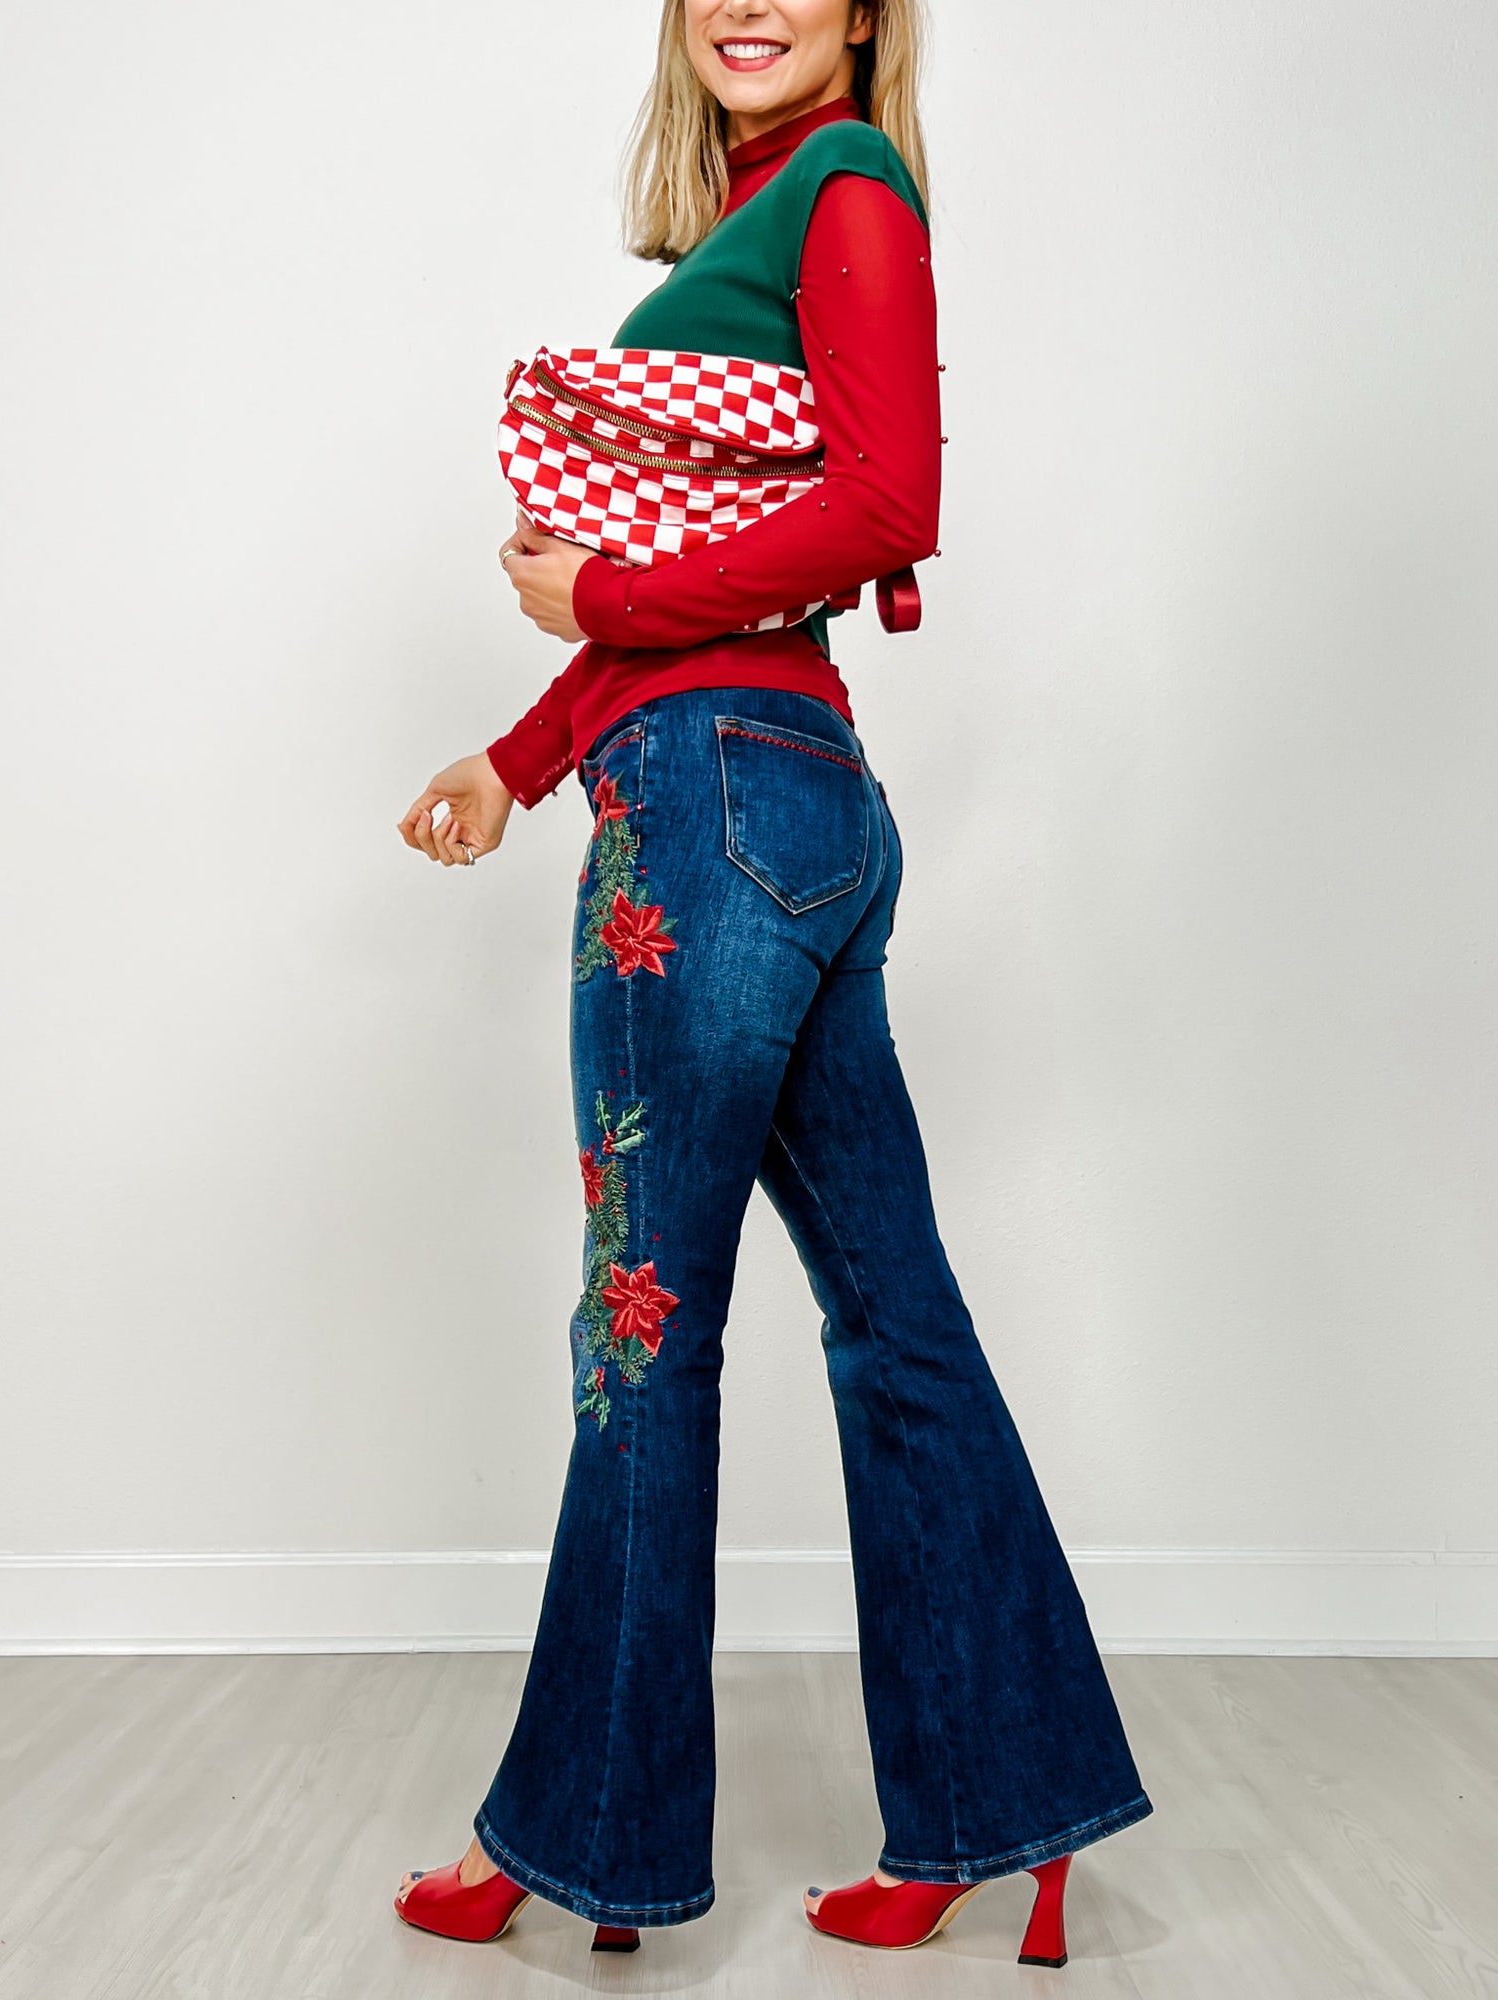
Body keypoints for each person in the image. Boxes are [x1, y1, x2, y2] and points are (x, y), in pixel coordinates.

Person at [393, 0, 1153, 1966]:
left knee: (643, 1337)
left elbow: (889, 508)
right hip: (783, 789)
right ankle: (1000, 1812)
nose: (747, 1)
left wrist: (606, 594)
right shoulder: (763, 218)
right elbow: (746, 571)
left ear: (865, 12)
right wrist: (518, 756)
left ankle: (586, 1842)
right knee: (896, 1325)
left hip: (714, 811)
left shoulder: (848, 183)